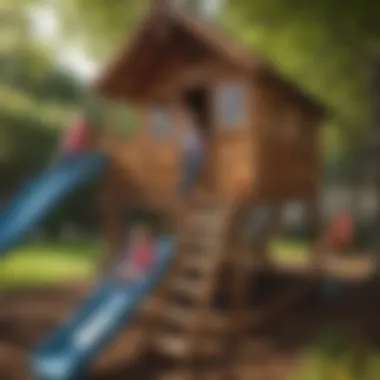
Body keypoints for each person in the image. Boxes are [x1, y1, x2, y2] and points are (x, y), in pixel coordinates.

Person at [180, 104, 205, 194]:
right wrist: (183, 153)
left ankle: (189, 189)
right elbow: (184, 143)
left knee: (193, 172)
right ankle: (185, 190)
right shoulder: (186, 131)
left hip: (196, 154)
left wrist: (201, 154)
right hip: (189, 154)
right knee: (187, 172)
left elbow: (201, 143)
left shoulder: (197, 131)